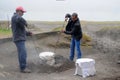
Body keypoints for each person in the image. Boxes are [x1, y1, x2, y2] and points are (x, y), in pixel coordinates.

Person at [11, 6, 32, 73]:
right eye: (22, 12)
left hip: (19, 38)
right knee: (23, 53)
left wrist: (28, 33)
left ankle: (22, 66)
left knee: (21, 53)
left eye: (23, 12)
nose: (23, 13)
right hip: (18, 39)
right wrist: (26, 23)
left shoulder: (17, 18)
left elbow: (22, 31)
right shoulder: (15, 17)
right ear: (18, 11)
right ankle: (23, 68)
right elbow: (20, 19)